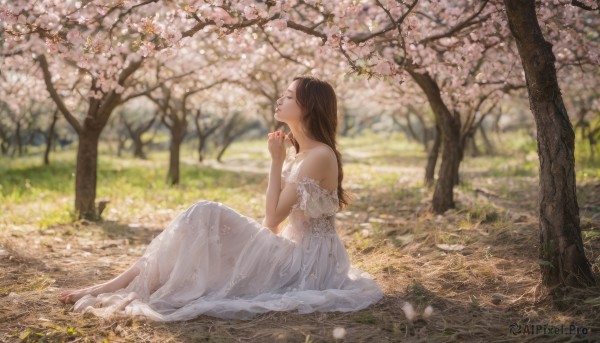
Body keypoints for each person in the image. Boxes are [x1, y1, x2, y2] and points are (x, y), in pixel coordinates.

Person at [58, 76, 383, 321]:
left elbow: (271, 220)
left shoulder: (318, 156)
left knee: (204, 213)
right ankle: (120, 282)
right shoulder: (302, 154)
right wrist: (280, 161)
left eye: (288, 96)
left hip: (307, 263)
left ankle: (114, 285)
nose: (279, 99)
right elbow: (274, 223)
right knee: (202, 220)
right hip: (293, 247)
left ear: (307, 107)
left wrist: (274, 162)